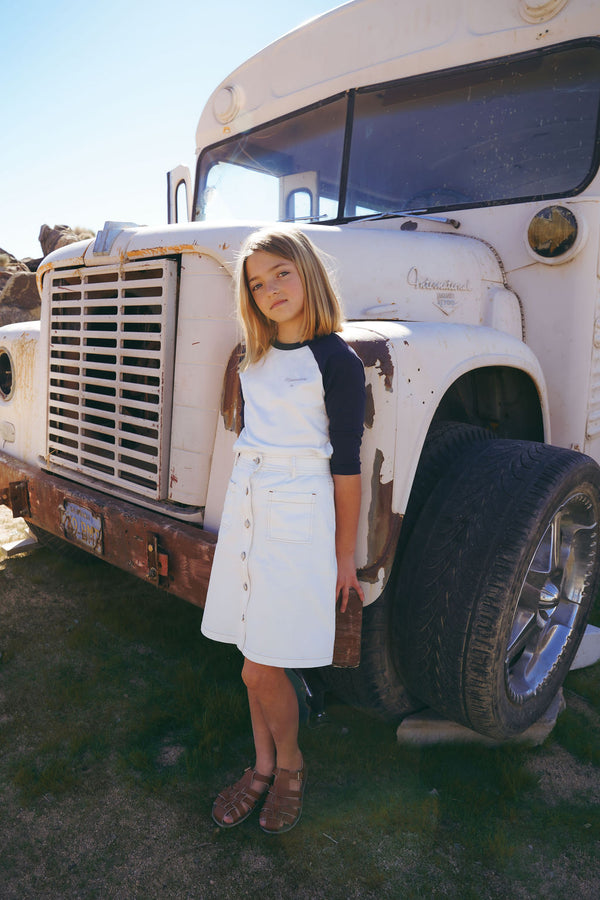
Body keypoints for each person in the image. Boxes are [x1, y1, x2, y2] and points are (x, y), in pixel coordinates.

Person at [201, 225, 365, 834]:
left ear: (307, 274)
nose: (270, 289)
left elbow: (346, 466)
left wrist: (343, 557)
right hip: (249, 509)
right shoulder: (255, 357)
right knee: (252, 651)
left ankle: (291, 765)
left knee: (260, 666)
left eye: (281, 274)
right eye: (256, 284)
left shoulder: (337, 361)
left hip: (298, 516)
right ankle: (263, 766)